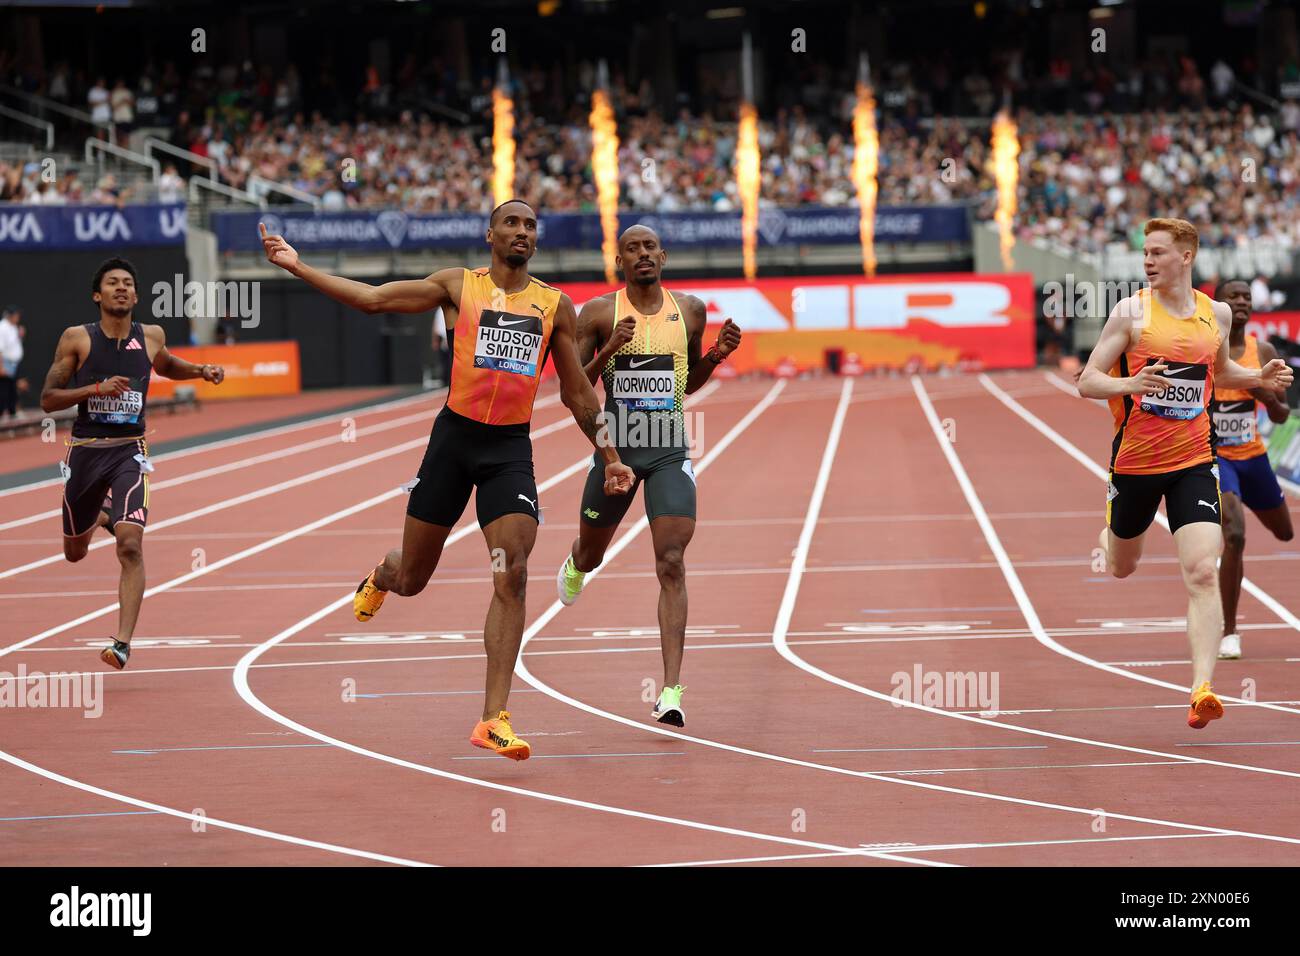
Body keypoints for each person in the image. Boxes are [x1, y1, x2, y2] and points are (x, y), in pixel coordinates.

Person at [260, 200, 634, 761]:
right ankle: (383, 578)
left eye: (531, 225)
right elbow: (372, 300)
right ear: (490, 235)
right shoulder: (459, 287)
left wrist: (609, 457)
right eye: (512, 223)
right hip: (453, 443)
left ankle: (493, 718)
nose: (523, 232)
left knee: (513, 571)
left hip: (508, 449)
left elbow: (578, 391)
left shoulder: (555, 306)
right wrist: (298, 266)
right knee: (413, 578)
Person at [1077, 219, 1294, 729]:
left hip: (1194, 461)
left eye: (1157, 253)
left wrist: (1257, 378)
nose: (1147, 261)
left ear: (1186, 256)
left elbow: (1220, 373)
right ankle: (1111, 534)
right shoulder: (1131, 312)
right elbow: (1086, 380)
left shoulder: (1213, 312)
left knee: (1201, 571)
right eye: (1145, 254)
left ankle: (1202, 689)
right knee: (1121, 565)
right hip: (1134, 464)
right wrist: (1133, 382)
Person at [555, 225, 741, 726]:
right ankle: (576, 561)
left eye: (649, 248)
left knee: (673, 561)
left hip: (668, 450)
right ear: (620, 260)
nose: (642, 255)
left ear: (664, 256)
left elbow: (687, 383)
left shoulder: (691, 311)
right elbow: (576, 387)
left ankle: (671, 691)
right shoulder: (597, 313)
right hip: (616, 453)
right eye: (632, 249)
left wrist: (717, 356)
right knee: (592, 554)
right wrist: (611, 347)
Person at [39, 258, 226, 671]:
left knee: (130, 545)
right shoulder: (77, 339)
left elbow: (166, 365)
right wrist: (94, 388)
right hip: (86, 452)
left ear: (136, 296)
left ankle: (122, 643)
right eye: (112, 283)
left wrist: (201, 371)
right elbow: (48, 399)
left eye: (127, 284)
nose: (121, 288)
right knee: (74, 552)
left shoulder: (152, 335)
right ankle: (99, 516)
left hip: (131, 452)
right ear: (97, 295)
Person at [1208, 279, 1294, 659]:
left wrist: (1257, 388)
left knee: (1285, 533)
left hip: (1254, 457)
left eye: (1246, 297)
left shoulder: (1265, 352)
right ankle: (1229, 631)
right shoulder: (1206, 351)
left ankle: (1221, 555)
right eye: (1233, 297)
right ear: (1219, 306)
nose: (1241, 302)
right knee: (1236, 534)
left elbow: (1280, 415)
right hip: (1216, 457)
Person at [0, 305, 23, 420]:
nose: (18, 317)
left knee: (12, 389)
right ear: (10, 316)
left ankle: (12, 412)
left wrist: (20, 335)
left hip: (14, 363)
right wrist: (1, 366)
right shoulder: (2, 327)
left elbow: (12, 345)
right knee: (4, 389)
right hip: (5, 362)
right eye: (16, 315)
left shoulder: (13, 327)